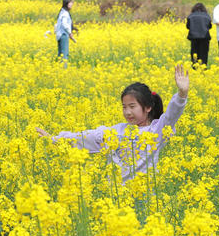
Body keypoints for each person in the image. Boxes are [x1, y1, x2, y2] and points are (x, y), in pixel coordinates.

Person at [36, 65, 189, 182]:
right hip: (118, 197)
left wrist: (182, 95)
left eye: (132, 106)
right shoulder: (117, 131)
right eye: (124, 107)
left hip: (145, 197)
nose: (127, 112)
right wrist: (55, 139)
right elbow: (84, 138)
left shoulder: (156, 131)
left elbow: (171, 116)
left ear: (148, 107)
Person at [186, 3, 212, 67]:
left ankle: (195, 69)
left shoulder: (190, 16)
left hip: (194, 38)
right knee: (204, 55)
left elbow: (188, 26)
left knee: (194, 54)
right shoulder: (207, 16)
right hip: (205, 38)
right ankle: (203, 69)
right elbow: (209, 26)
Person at [55, 0, 77, 66]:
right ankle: (64, 69)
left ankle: (59, 68)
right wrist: (70, 33)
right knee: (64, 54)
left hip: (60, 35)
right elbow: (64, 24)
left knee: (60, 54)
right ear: (66, 4)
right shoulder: (65, 13)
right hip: (63, 35)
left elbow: (57, 25)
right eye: (70, 3)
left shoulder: (62, 12)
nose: (72, 5)